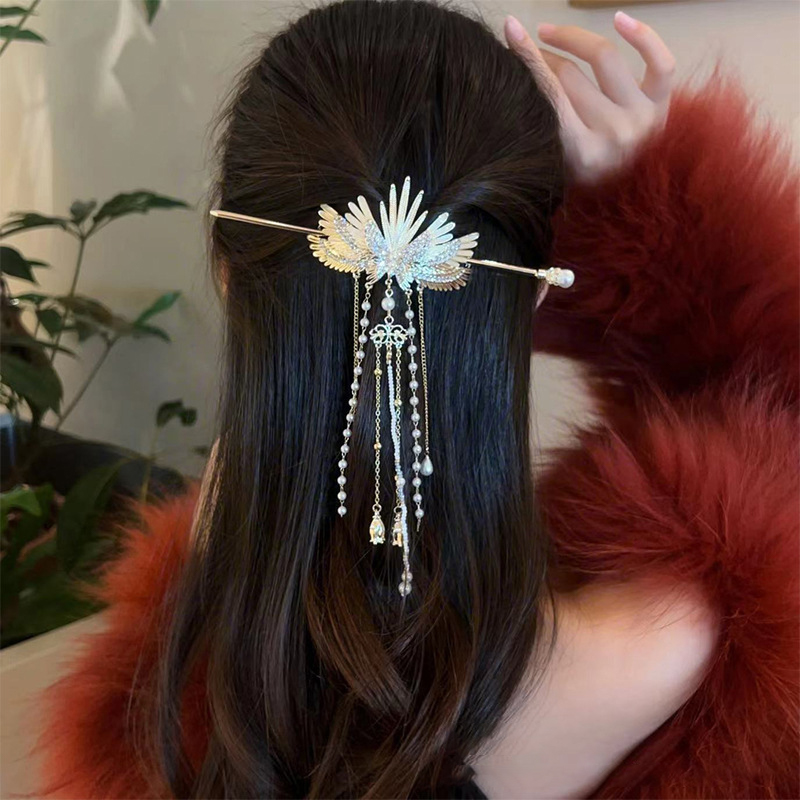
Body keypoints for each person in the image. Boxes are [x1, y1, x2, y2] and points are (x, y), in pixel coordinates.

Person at [38, 2, 798, 798]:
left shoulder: (163, 717)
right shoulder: (665, 648)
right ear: (536, 294)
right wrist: (653, 208)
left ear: (230, 275)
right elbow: (772, 411)